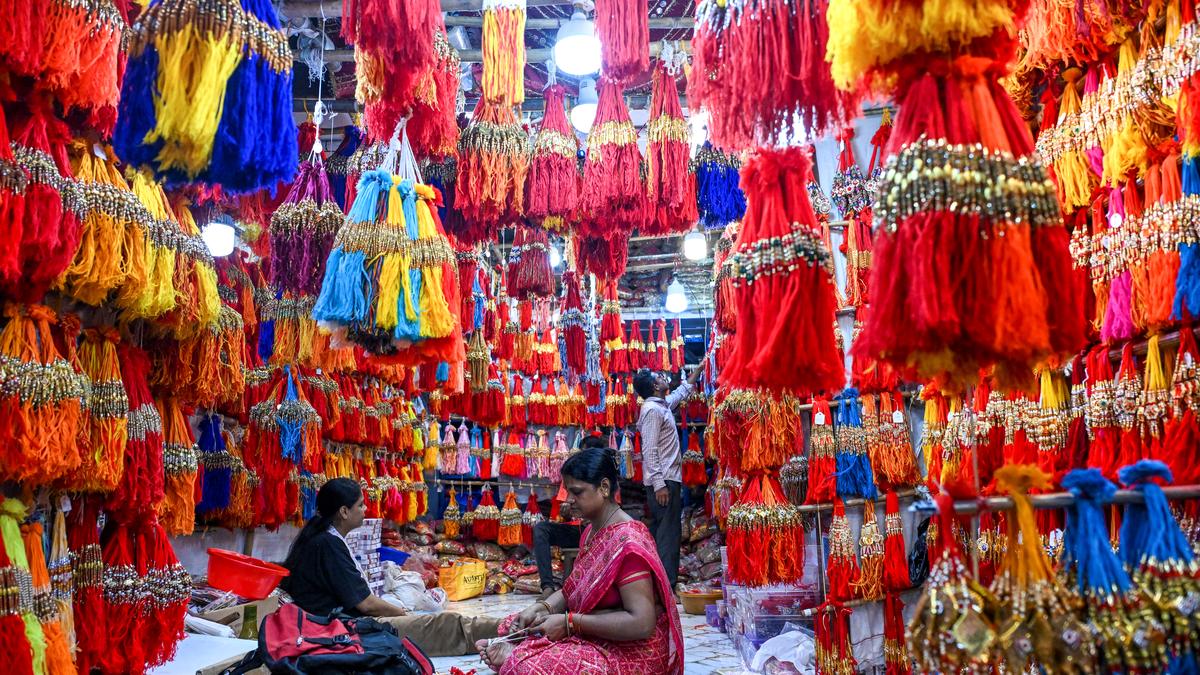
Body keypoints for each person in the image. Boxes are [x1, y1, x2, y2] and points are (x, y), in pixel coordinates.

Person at [476, 448, 684, 674]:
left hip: (632, 649)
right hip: (597, 630)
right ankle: (523, 649)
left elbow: (642, 623)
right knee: (515, 623)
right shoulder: (591, 532)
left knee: (529, 667)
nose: (569, 500)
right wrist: (540, 607)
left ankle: (520, 655)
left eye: (577, 492)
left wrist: (570, 623)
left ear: (604, 488)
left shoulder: (628, 543)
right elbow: (571, 591)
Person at [279, 477, 499, 656]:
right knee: (447, 624)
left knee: (439, 620)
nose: (366, 509)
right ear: (344, 512)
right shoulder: (327, 544)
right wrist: (402, 614)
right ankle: (507, 630)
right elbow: (366, 604)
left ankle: (508, 627)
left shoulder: (321, 538)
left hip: (339, 623)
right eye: (361, 504)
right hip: (345, 630)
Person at [633, 365, 703, 589]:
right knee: (668, 535)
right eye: (660, 377)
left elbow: (683, 391)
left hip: (668, 478)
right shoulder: (652, 411)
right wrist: (659, 484)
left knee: (663, 532)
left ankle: (658, 585)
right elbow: (650, 449)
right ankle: (667, 587)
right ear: (655, 386)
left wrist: (699, 368)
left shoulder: (661, 405)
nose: (664, 378)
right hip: (663, 481)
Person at [532, 433, 607, 597]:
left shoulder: (605, 478)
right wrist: (567, 512)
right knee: (541, 529)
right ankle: (547, 587)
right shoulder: (576, 476)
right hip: (578, 531)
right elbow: (568, 509)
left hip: (600, 532)